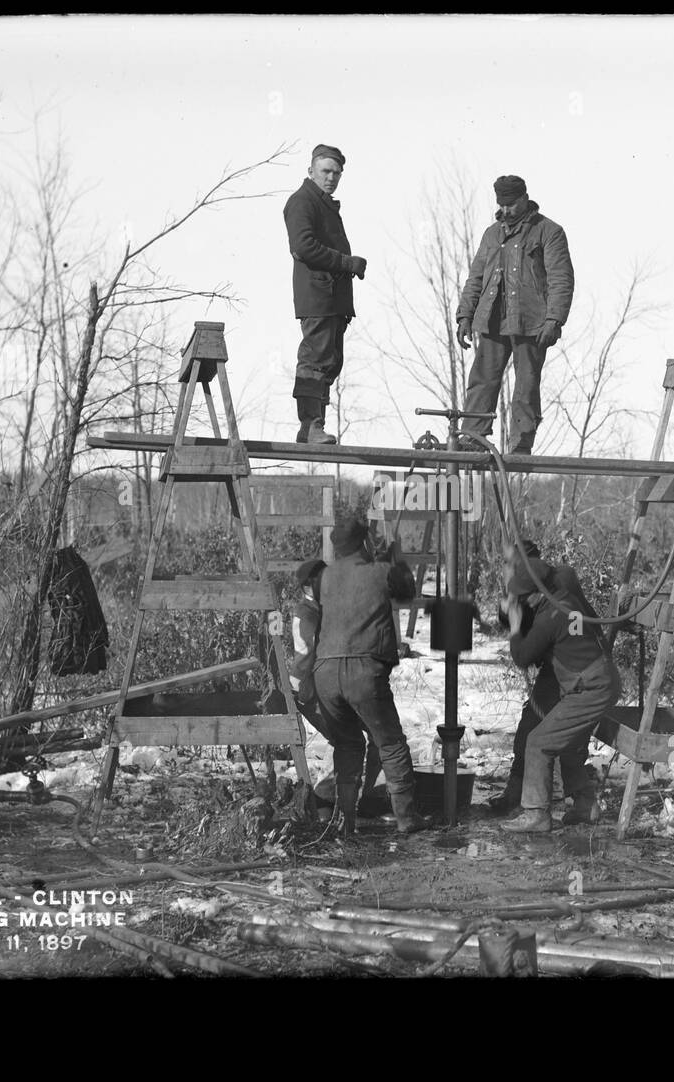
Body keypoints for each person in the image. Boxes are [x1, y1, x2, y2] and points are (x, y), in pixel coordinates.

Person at [312, 519, 428, 834]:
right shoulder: (379, 572)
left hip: (324, 672)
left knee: (348, 746)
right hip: (361, 672)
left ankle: (346, 822)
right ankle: (406, 819)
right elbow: (407, 592)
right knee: (390, 744)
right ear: (365, 543)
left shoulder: (324, 577)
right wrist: (395, 560)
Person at [499, 553, 620, 833]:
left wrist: (516, 624)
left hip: (590, 689)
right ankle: (585, 805)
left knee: (538, 742)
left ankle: (536, 813)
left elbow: (522, 656)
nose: (522, 601)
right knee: (568, 743)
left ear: (538, 594)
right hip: (597, 681)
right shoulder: (566, 600)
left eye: (524, 596)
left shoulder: (553, 615)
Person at [455, 175, 574, 455]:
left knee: (526, 383)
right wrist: (465, 315)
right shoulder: (491, 234)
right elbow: (476, 277)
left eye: (511, 204)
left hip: (531, 322)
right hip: (493, 319)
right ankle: (473, 436)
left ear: (524, 199)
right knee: (482, 378)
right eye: (501, 205)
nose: (506, 210)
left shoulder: (549, 231)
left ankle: (521, 442)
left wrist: (554, 319)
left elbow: (561, 278)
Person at [283, 144, 368, 445]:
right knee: (316, 359)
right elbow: (303, 247)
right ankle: (311, 425)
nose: (331, 177)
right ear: (311, 171)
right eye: (326, 171)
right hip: (318, 296)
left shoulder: (324, 204)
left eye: (337, 173)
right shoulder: (302, 201)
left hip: (332, 299)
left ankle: (312, 427)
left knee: (329, 361)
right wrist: (347, 263)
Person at [290, 558, 382, 825]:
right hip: (315, 691)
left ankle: (354, 799)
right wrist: (299, 689)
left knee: (373, 737)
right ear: (310, 585)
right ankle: (340, 807)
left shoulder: (326, 608)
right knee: (351, 741)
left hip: (340, 687)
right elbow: (305, 655)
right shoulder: (306, 613)